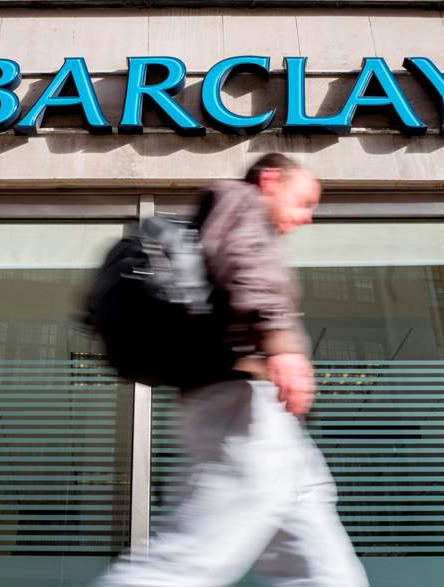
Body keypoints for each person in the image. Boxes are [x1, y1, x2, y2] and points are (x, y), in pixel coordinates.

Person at [95, 153, 369, 587]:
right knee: (189, 560)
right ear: (271, 179)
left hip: (261, 416)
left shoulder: (238, 214)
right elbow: (245, 264)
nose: (306, 218)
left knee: (322, 566)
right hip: (240, 404)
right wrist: (280, 344)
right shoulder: (241, 199)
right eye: (303, 202)